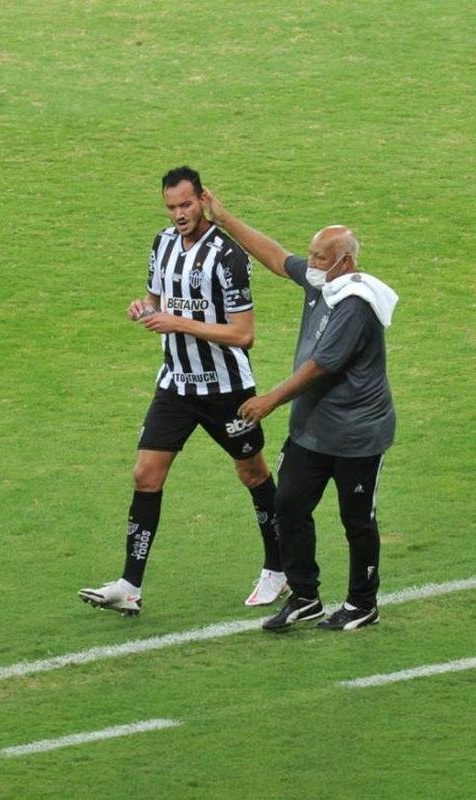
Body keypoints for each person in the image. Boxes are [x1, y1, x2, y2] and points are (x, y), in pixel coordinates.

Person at [78, 167, 288, 616]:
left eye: (186, 205)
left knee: (252, 474)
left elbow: (243, 334)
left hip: (226, 389)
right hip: (175, 384)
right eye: (171, 207)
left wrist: (176, 322)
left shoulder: (229, 256)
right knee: (145, 475)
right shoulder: (162, 244)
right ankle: (129, 586)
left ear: (203, 200)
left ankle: (278, 568)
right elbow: (157, 300)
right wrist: (145, 308)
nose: (178, 214)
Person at [202, 189, 398, 632]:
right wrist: (224, 217)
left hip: (356, 434)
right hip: (313, 429)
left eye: (319, 257)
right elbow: (275, 256)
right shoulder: (323, 280)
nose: (309, 264)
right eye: (310, 255)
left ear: (344, 261)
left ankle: (362, 603)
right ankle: (305, 596)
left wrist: (268, 401)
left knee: (356, 519)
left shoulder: (355, 305)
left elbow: (320, 367)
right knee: (288, 505)